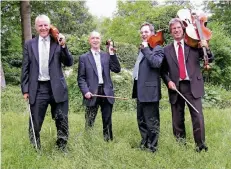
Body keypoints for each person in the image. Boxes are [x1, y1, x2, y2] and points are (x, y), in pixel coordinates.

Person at [21, 14, 73, 150]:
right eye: (40, 25)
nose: (43, 28)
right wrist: (25, 90)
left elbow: (69, 62)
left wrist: (64, 46)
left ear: (49, 26)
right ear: (36, 27)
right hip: (38, 88)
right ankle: (35, 149)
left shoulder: (57, 41)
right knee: (35, 123)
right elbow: (25, 68)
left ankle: (62, 148)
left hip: (57, 87)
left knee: (62, 120)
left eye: (46, 25)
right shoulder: (29, 44)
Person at [161, 18, 214, 152]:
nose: (177, 30)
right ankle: (180, 146)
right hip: (176, 87)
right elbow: (162, 70)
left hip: (193, 85)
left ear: (183, 29)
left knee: (197, 116)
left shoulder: (193, 44)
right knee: (177, 118)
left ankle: (200, 146)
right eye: (174, 29)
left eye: (178, 27)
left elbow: (209, 58)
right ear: (171, 32)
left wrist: (206, 46)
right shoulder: (166, 50)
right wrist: (168, 81)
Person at [77, 31, 121, 141]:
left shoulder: (106, 56)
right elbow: (81, 78)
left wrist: (112, 54)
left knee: (107, 119)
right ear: (89, 40)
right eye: (93, 38)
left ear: (100, 40)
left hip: (106, 91)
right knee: (89, 120)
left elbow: (117, 69)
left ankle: (108, 141)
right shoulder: (84, 57)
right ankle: (88, 141)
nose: (95, 40)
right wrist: (85, 91)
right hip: (91, 92)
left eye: (97, 38)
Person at [132, 22, 164, 153]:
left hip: (150, 91)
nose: (144, 34)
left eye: (146, 32)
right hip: (140, 91)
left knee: (152, 121)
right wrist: (144, 49)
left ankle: (153, 147)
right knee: (141, 120)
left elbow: (156, 64)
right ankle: (144, 143)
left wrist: (145, 49)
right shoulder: (142, 49)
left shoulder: (157, 48)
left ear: (152, 33)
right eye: (142, 32)